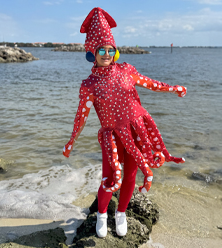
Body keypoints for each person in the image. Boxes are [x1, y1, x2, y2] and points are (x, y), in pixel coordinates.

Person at [63, 7, 187, 238]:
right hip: (112, 137)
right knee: (109, 176)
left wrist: (173, 89)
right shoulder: (89, 85)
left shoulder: (126, 70)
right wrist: (71, 142)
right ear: (92, 52)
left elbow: (151, 84)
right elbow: (82, 116)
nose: (107, 54)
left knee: (130, 175)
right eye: (102, 50)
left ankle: (120, 213)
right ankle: (101, 214)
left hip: (136, 130)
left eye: (111, 49)